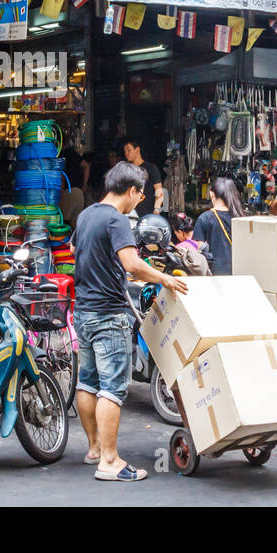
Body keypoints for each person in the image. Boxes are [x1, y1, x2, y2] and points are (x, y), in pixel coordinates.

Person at [72, 162, 187, 482]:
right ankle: (109, 461)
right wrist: (164, 279)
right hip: (108, 314)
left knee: (88, 382)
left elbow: (76, 251)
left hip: (83, 311)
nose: (141, 200)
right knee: (112, 389)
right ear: (133, 191)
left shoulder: (87, 214)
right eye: (141, 194)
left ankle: (94, 448)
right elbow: (133, 264)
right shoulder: (116, 220)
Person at [193, 176, 243, 273]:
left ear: (211, 194)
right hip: (240, 271)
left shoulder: (204, 218)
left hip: (215, 272)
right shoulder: (240, 217)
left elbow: (201, 249)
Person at [122, 138, 164, 216]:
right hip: (129, 213)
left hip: (147, 214)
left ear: (137, 150)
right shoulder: (126, 169)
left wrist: (157, 209)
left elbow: (159, 191)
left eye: (129, 150)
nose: (126, 153)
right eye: (125, 151)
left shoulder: (151, 168)